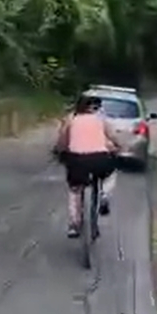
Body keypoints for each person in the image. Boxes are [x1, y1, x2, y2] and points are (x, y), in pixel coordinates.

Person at [54, 94, 121, 238]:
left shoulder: (71, 119)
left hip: (77, 160)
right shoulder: (101, 119)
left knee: (75, 190)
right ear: (93, 107)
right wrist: (119, 147)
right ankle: (104, 195)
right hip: (99, 158)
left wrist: (59, 151)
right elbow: (112, 136)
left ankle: (74, 224)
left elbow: (62, 141)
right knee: (111, 173)